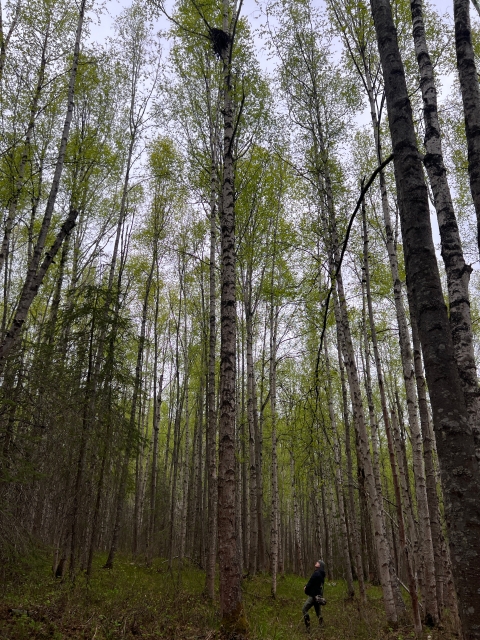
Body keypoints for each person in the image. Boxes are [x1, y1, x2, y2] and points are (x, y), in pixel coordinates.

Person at [302, 559, 326, 630]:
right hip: (318, 596)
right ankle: (322, 625)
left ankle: (308, 626)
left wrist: (306, 588)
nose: (316, 562)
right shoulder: (321, 574)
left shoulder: (316, 573)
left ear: (320, 565)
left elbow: (310, 583)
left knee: (304, 609)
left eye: (318, 562)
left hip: (313, 596)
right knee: (318, 612)